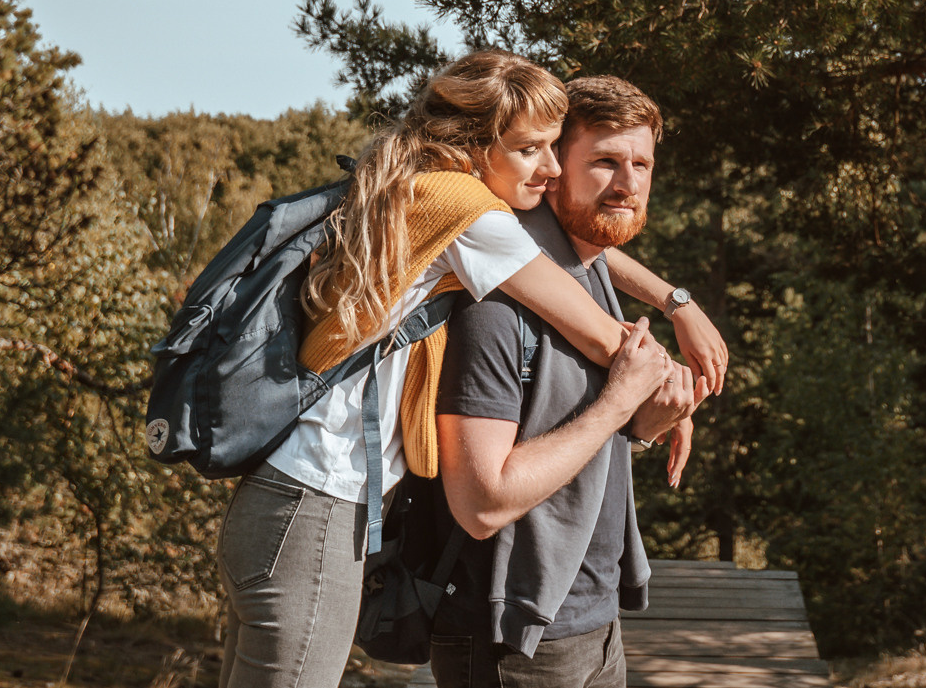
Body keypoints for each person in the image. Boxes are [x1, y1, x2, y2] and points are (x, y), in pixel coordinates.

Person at [213, 53, 714, 688]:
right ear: (475, 146)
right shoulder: (464, 209)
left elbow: (574, 250)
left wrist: (674, 303)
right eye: (530, 149)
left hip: (291, 500)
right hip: (313, 503)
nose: (550, 169)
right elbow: (599, 332)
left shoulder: (424, 189)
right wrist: (658, 381)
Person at [429, 76, 707, 688]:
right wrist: (621, 406)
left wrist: (643, 422)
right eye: (605, 162)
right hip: (512, 639)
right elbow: (481, 503)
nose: (628, 183)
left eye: (641, 164)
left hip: (593, 619)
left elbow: (578, 429)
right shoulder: (495, 307)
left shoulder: (587, 271)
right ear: (553, 168)